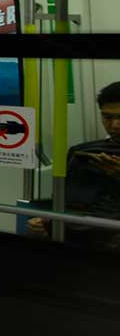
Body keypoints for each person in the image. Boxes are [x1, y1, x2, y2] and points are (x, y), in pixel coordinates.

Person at [29, 81, 120, 251]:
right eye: (107, 117)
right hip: (74, 231)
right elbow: (65, 199)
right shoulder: (81, 151)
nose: (114, 126)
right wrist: (45, 220)